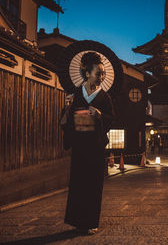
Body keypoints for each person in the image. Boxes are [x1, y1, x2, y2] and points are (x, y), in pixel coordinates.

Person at [61, 52, 115, 235]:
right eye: (98, 73)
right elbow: (65, 122)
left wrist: (100, 115)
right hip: (80, 144)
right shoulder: (76, 94)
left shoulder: (105, 97)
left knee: (93, 185)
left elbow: (112, 120)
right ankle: (77, 221)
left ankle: (91, 221)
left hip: (96, 145)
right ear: (87, 73)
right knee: (78, 184)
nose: (101, 77)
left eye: (102, 74)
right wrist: (67, 110)